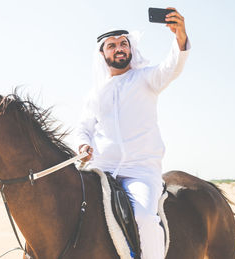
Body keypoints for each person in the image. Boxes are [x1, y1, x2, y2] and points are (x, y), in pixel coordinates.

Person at [76, 8, 190, 259]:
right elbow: (84, 128)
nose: (119, 48)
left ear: (131, 49)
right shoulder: (95, 94)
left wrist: (179, 36)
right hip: (102, 170)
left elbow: (172, 67)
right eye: (112, 45)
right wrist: (83, 145)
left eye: (124, 44)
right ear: (102, 53)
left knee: (144, 218)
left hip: (141, 170)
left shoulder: (145, 79)